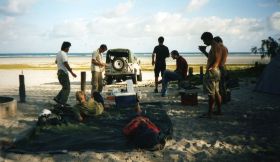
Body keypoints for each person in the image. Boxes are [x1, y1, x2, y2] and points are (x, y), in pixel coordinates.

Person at [199, 32, 223, 118]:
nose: (204, 43)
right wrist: (204, 51)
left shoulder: (215, 46)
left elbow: (217, 59)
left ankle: (210, 113)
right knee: (216, 92)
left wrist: (212, 67)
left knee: (211, 93)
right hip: (216, 71)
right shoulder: (216, 46)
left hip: (212, 72)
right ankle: (219, 111)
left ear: (208, 38)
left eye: (204, 41)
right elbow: (211, 58)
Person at [199, 36, 228, 103]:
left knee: (217, 89)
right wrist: (204, 51)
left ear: (216, 41)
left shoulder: (217, 47)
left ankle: (221, 101)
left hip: (218, 68)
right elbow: (213, 58)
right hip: (222, 68)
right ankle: (223, 100)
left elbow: (215, 60)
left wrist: (211, 68)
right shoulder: (224, 48)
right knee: (221, 86)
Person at [54, 41, 77, 106]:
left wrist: (60, 64)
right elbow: (65, 63)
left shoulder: (58, 53)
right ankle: (62, 103)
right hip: (63, 73)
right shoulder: (64, 54)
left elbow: (56, 62)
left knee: (65, 87)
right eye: (68, 47)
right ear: (65, 47)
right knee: (67, 88)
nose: (69, 49)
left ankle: (57, 98)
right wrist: (72, 72)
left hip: (59, 72)